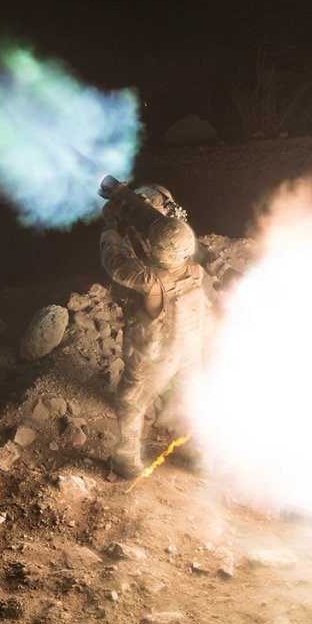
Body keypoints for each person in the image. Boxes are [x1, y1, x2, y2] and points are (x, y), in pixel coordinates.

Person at [100, 196, 213, 478]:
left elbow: (114, 264)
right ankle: (197, 456)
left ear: (158, 252)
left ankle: (127, 461)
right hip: (189, 353)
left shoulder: (151, 282)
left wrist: (110, 227)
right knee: (189, 399)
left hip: (156, 358)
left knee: (131, 401)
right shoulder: (196, 271)